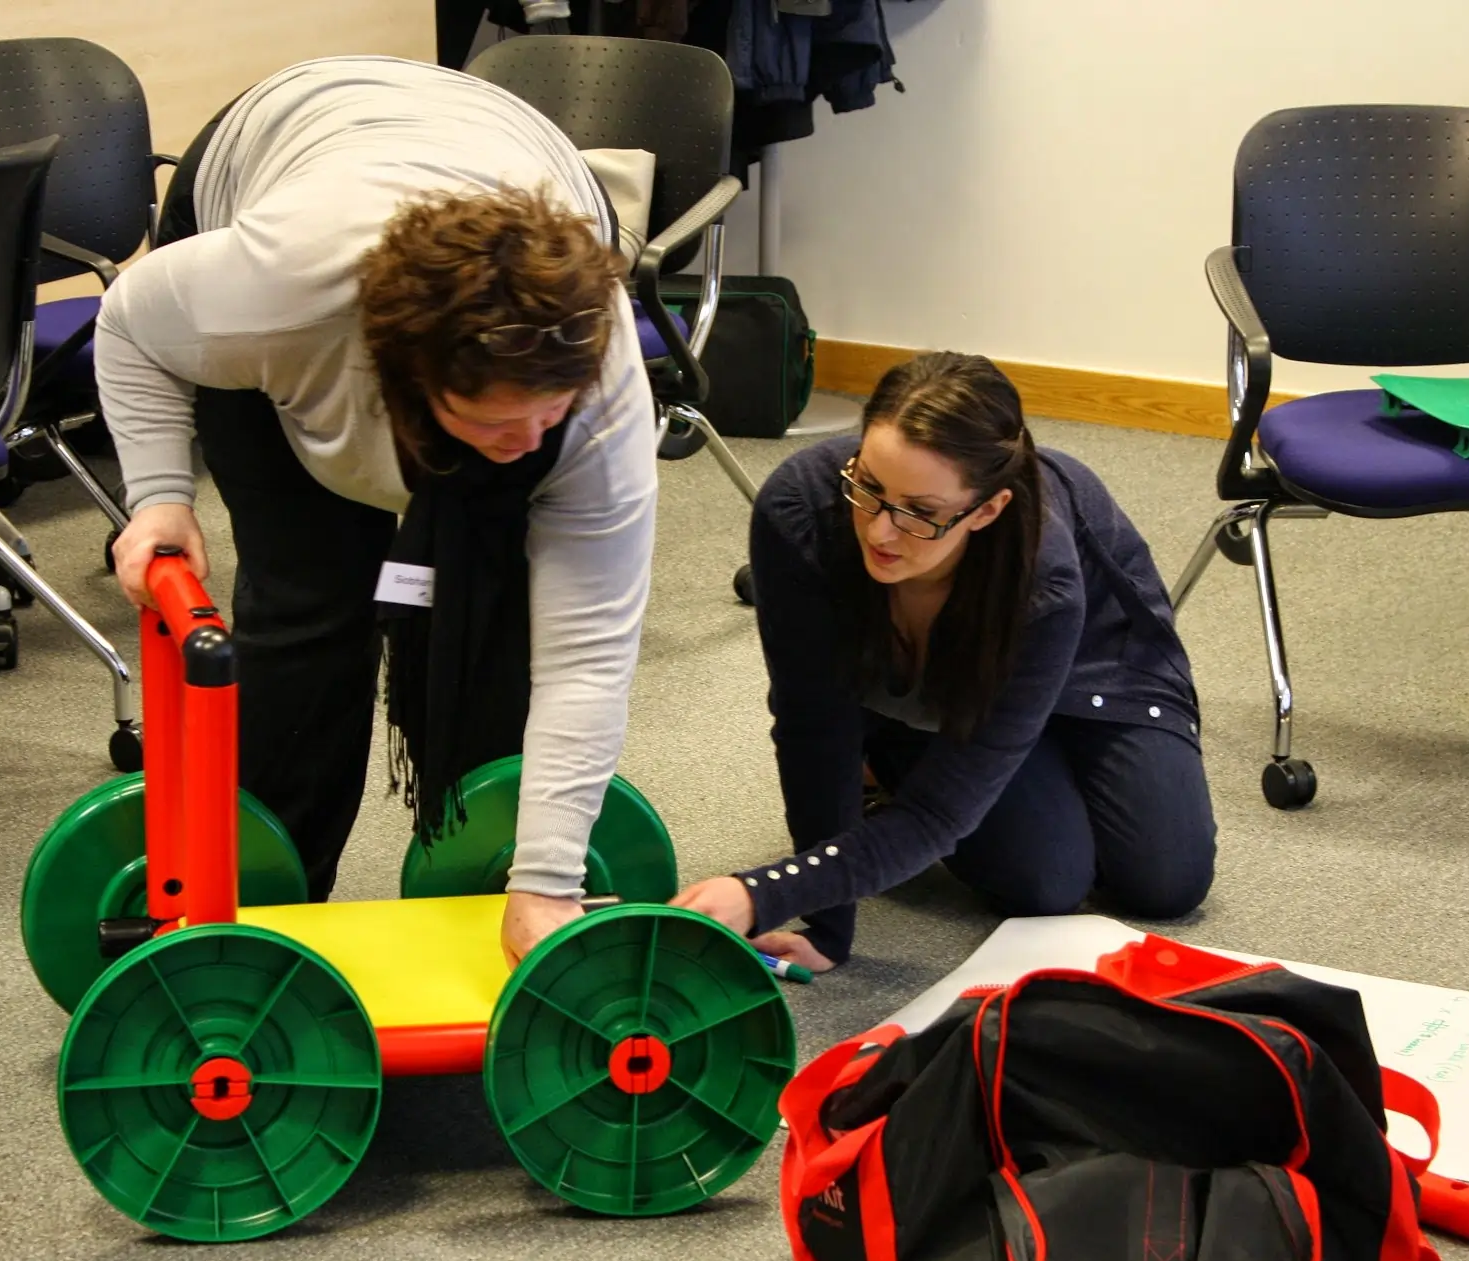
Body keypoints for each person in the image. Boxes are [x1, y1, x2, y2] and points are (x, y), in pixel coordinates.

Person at [95, 57, 655, 964]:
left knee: (496, 626)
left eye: (546, 415)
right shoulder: (277, 293)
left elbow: (587, 657)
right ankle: (259, 920)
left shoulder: (601, 376)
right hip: (282, 149)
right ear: (406, 374)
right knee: (311, 602)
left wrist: (549, 882)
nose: (529, 439)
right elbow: (128, 325)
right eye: (494, 421)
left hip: (509, 147)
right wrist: (158, 495)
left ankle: (487, 894)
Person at [672, 353, 1215, 970]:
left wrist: (763, 891)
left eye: (920, 512)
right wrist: (826, 923)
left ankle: (1002, 758)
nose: (879, 531)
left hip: (1096, 666)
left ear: (986, 510)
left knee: (1168, 881)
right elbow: (813, 728)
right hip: (943, 694)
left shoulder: (1044, 587)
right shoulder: (799, 512)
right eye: (867, 487)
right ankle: (902, 753)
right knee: (1047, 882)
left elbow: (939, 813)